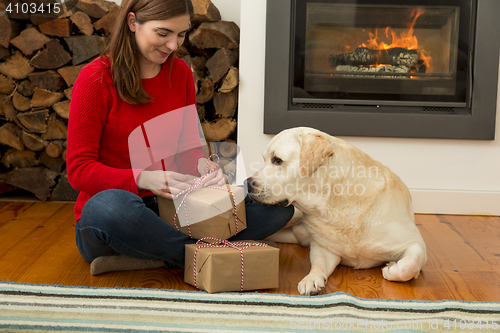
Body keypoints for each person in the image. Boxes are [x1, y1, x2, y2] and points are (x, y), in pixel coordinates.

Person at [66, 0, 294, 276]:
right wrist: (142, 179)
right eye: (163, 33)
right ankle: (201, 255)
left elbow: (189, 149)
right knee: (107, 207)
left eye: (181, 34)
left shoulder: (182, 74)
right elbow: (79, 171)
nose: (174, 45)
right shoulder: (95, 80)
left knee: (279, 205)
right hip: (123, 215)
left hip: (174, 209)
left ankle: (169, 254)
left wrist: (204, 166)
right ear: (132, 22)